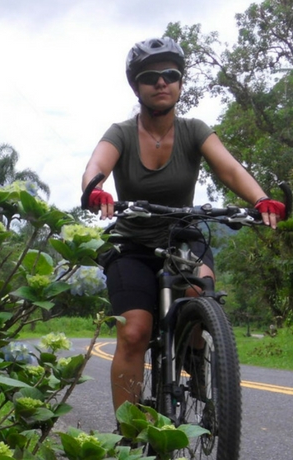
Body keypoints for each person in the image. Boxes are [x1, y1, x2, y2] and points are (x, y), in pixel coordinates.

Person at [80, 37, 287, 417]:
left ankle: (196, 353)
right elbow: (97, 166)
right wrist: (95, 190)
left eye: (171, 75)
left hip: (182, 236)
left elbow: (229, 168)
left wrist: (260, 200)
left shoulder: (193, 130)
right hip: (132, 243)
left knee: (201, 288)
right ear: (136, 86)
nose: (162, 82)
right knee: (134, 332)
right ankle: (130, 433)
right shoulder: (122, 133)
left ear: (180, 82)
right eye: (151, 77)